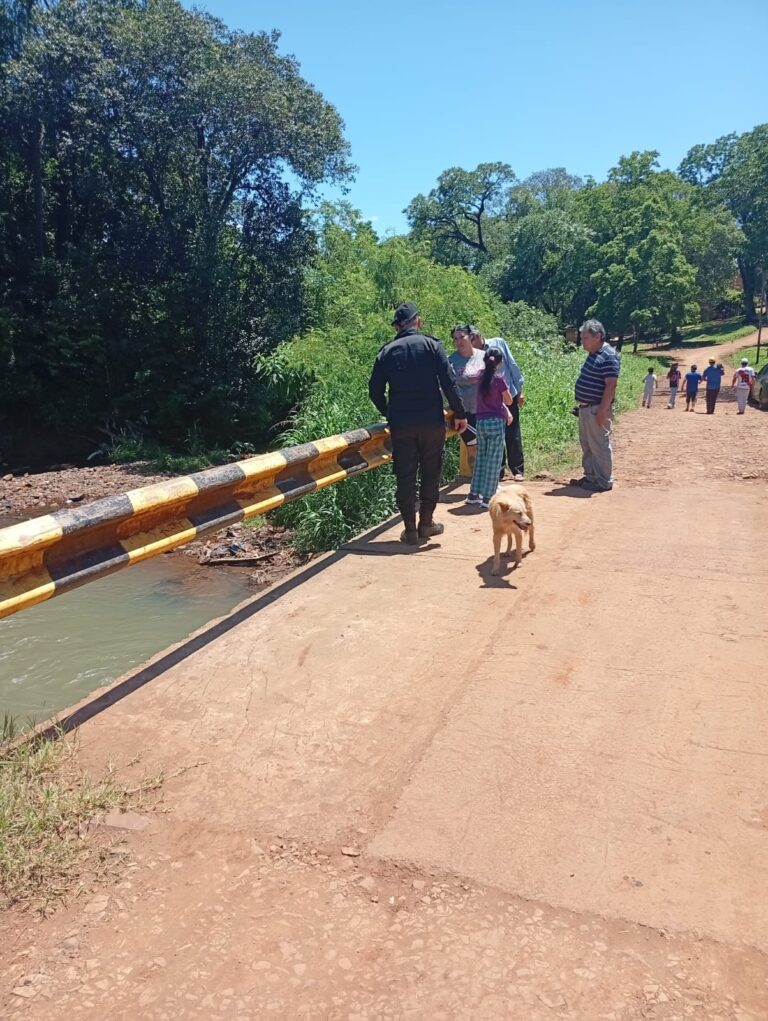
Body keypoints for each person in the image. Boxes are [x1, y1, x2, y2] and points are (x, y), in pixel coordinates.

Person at [369, 303, 467, 545]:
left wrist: (390, 413)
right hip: (432, 422)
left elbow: (375, 392)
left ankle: (410, 530)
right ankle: (426, 524)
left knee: (405, 476)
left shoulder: (387, 352)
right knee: (431, 473)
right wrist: (460, 413)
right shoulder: (432, 346)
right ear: (419, 322)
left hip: (401, 424)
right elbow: (449, 383)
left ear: (397, 327)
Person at [463, 326, 525, 481]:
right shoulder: (472, 355)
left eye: (472, 342)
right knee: (496, 436)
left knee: (513, 433)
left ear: (477, 337)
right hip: (490, 402)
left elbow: (512, 366)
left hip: (508, 393)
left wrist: (519, 391)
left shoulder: (499, 343)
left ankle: (517, 470)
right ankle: (499, 471)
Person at [571, 318, 620, 492]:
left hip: (596, 409)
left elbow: (611, 385)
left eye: (585, 338)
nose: (582, 342)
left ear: (597, 336)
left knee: (599, 445)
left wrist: (602, 411)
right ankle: (591, 477)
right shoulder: (594, 354)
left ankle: (603, 481)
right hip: (586, 408)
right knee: (587, 445)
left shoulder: (608, 356)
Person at [466, 348, 514, 509]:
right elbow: (508, 401)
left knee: (481, 458)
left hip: (480, 422)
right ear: (499, 362)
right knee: (493, 460)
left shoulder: (479, 377)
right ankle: (488, 497)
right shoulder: (498, 379)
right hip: (495, 422)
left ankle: (474, 494)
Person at [448, 326, 485, 465]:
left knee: (487, 448)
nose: (459, 341)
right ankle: (477, 481)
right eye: (455, 339)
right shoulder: (450, 361)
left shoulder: (483, 356)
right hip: (466, 413)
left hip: (486, 409)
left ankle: (490, 481)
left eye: (461, 337)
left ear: (470, 337)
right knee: (473, 449)